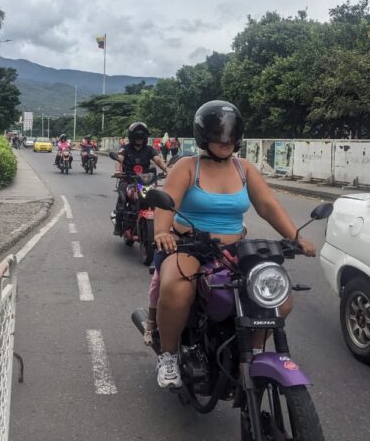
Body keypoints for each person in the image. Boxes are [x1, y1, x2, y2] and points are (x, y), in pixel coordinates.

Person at [149, 100, 316, 389]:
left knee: (279, 296)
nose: (225, 142)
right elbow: (168, 202)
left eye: (230, 136)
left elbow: (267, 205)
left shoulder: (244, 169)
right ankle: (168, 356)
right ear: (204, 136)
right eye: (217, 136)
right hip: (191, 246)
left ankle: (250, 353)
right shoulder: (188, 166)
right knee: (176, 287)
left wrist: (296, 237)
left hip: (236, 248)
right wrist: (162, 231)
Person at [112, 122, 169, 236]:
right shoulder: (125, 148)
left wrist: (167, 170)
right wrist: (118, 171)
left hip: (145, 181)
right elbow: (120, 159)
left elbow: (158, 160)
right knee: (122, 196)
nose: (139, 139)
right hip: (128, 179)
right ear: (132, 137)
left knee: (155, 198)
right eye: (137, 137)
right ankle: (119, 224)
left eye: (141, 137)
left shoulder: (149, 149)